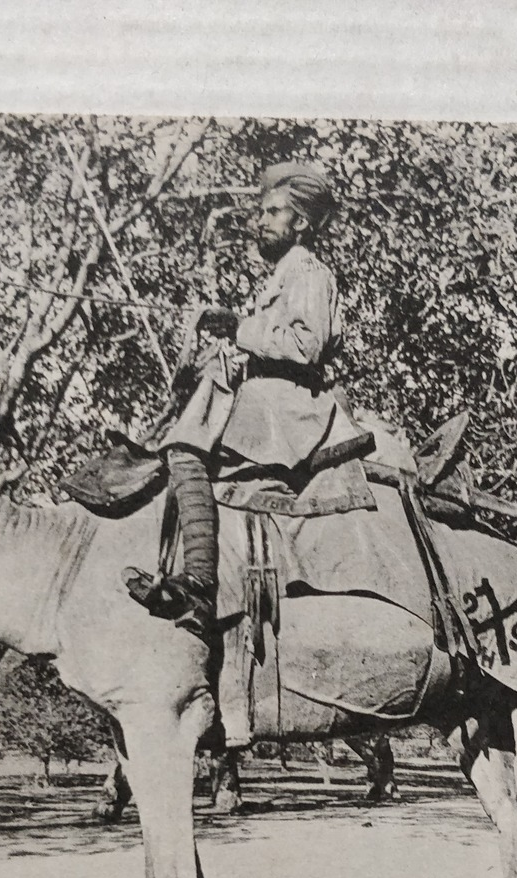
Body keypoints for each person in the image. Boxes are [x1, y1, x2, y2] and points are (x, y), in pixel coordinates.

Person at [124, 161, 359, 641]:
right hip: (267, 394)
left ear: (301, 224)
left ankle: (200, 586)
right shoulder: (280, 275)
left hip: (292, 406)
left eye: (275, 213)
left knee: (186, 447)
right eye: (263, 212)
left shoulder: (310, 272)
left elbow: (305, 346)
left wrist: (239, 328)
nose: (262, 221)